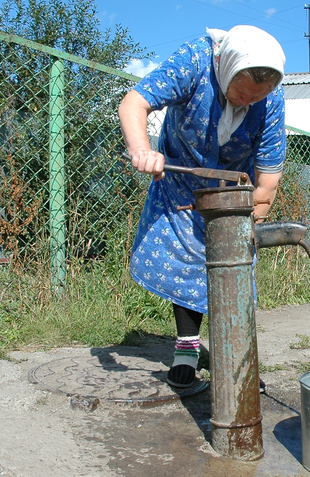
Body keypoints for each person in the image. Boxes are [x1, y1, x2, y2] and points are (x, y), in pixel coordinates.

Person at [118, 25, 286, 388]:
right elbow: (135, 102)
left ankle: (239, 361)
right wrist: (142, 149)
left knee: (237, 270)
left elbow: (269, 173)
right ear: (225, 68)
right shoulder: (195, 61)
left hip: (232, 190)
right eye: (240, 93)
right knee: (184, 264)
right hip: (180, 181)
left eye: (254, 99)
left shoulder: (271, 99)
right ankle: (187, 349)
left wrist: (254, 222)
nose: (246, 102)